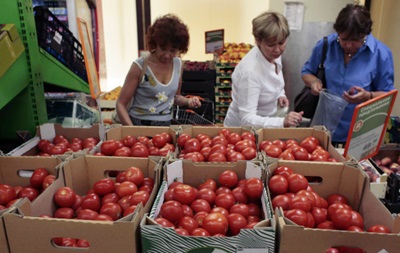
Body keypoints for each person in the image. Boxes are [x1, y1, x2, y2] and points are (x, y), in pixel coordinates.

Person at [301, 4, 395, 146]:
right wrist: (314, 82)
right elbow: (306, 72)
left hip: (359, 133)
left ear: (366, 34)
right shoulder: (326, 46)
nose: (349, 45)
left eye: (356, 40)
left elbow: (388, 94)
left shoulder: (381, 54)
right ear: (338, 32)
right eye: (344, 39)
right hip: (324, 128)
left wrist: (368, 96)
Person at [116, 14, 201, 126]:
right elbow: (120, 104)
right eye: (163, 49)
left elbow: (174, 97)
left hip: (165, 126)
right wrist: (132, 131)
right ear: (155, 43)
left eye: (172, 51)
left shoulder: (178, 64)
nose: (167, 55)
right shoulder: (140, 66)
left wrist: (188, 101)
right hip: (138, 124)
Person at [223, 11, 303, 128]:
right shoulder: (250, 72)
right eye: (271, 45)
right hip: (242, 133)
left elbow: (274, 77)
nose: (277, 50)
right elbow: (247, 119)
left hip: (265, 126)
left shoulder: (272, 54)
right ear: (258, 40)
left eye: (281, 43)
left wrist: (280, 94)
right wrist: (282, 122)